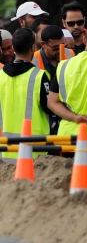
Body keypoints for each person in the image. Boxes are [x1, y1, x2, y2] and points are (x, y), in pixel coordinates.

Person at [0, 28, 52, 164]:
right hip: (35, 151)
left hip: (7, 150)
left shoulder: (0, 75)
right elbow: (50, 107)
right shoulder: (39, 76)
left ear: (14, 47)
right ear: (32, 47)